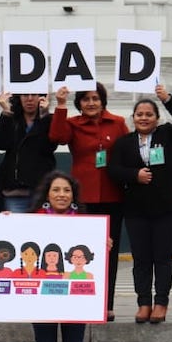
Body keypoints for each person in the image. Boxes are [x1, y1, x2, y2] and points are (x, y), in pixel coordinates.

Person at [108, 86, 172, 324]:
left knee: (163, 257)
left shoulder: (167, 135)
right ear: (133, 118)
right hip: (136, 211)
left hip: (165, 209)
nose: (144, 118)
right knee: (141, 259)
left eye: (149, 114)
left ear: (157, 118)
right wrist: (135, 175)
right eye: (139, 114)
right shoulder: (124, 143)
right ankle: (143, 303)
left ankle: (161, 303)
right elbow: (114, 170)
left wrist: (167, 98)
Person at [49, 82, 129, 321]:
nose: (91, 103)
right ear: (79, 103)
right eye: (86, 99)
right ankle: (82, 300)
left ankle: (107, 303)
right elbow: (57, 136)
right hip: (82, 197)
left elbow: (127, 152)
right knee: (80, 251)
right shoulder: (73, 123)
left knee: (109, 252)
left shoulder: (117, 122)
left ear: (103, 100)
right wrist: (61, 105)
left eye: (95, 98)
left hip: (113, 196)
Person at [28, 171, 90, 342]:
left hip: (75, 297)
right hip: (42, 298)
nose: (61, 195)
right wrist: (8, 223)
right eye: (56, 190)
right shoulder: (32, 221)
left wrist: (103, 243)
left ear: (73, 195)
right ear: (47, 194)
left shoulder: (87, 224)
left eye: (66, 190)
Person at [0, 92, 57, 213]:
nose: (30, 99)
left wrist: (44, 116)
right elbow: (2, 144)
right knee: (15, 231)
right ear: (19, 98)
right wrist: (6, 112)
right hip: (15, 193)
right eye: (25, 95)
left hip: (41, 192)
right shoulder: (13, 118)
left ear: (41, 97)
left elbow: (49, 146)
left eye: (34, 95)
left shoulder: (48, 119)